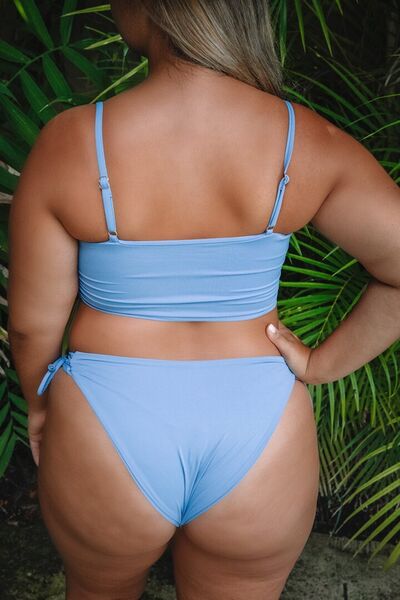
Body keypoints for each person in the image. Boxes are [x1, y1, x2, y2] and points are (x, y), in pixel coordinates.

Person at [7, 1, 400, 598]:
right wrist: (323, 363)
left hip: (107, 417)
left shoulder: (72, 141)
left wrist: (40, 406)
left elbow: (32, 327)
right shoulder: (306, 140)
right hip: (261, 428)